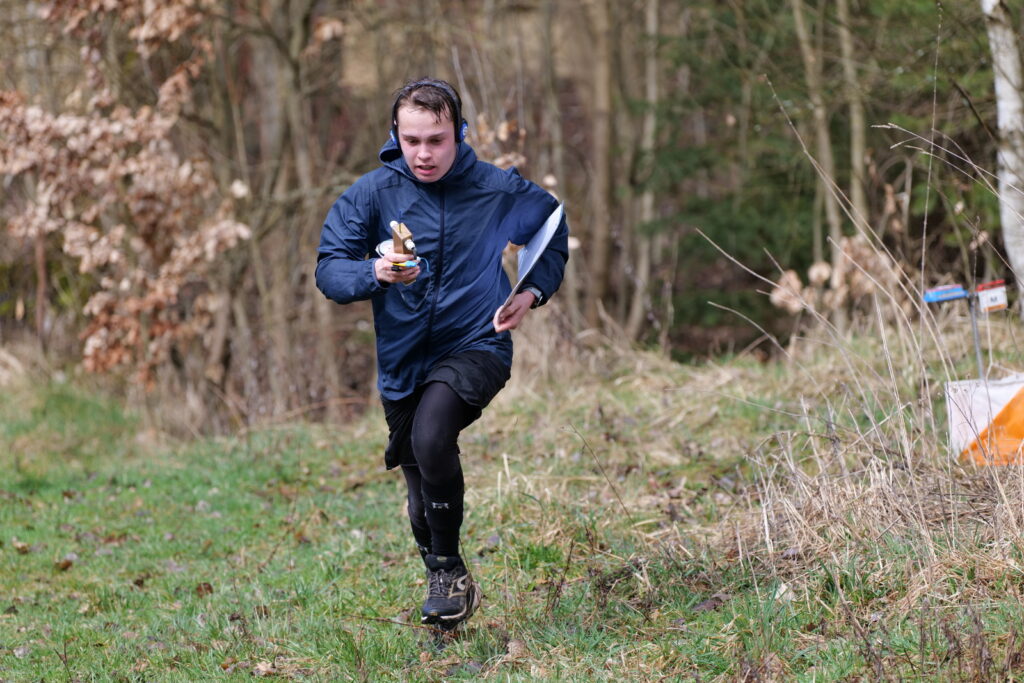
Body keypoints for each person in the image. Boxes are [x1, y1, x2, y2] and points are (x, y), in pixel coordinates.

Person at [315, 78, 569, 628]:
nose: (424, 153)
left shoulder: (495, 189)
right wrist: (373, 271)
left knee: (434, 437)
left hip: (477, 341)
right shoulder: (372, 195)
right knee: (418, 496)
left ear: (459, 132)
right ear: (395, 136)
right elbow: (329, 270)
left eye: (436, 139)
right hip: (404, 360)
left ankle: (449, 570)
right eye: (412, 141)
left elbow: (551, 224)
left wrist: (531, 291)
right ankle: (448, 592)